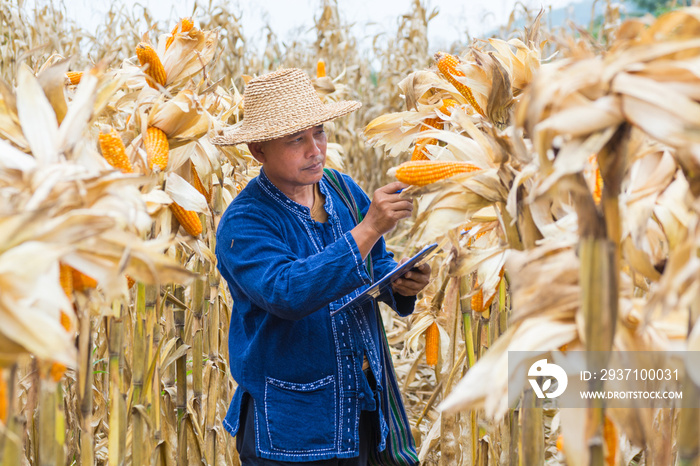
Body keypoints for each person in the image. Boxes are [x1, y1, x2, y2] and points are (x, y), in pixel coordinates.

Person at [211, 67, 430, 465]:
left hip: (364, 406)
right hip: (294, 430)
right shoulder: (244, 223)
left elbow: (376, 262)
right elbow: (288, 292)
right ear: (257, 150)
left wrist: (401, 283)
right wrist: (369, 228)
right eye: (297, 140)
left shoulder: (344, 191)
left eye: (319, 133)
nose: (316, 149)